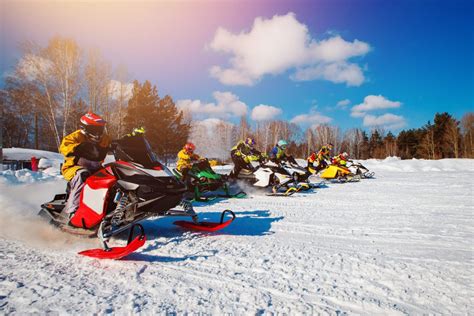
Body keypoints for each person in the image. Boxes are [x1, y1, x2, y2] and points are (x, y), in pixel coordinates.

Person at [60, 112, 111, 217]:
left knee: (112, 175)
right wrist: (77, 147)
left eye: (100, 129)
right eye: (94, 129)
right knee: (83, 174)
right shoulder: (75, 136)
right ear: (85, 128)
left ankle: (111, 208)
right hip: (74, 168)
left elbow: (115, 143)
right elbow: (63, 147)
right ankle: (72, 211)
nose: (97, 133)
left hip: (96, 168)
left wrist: (130, 139)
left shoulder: (105, 138)